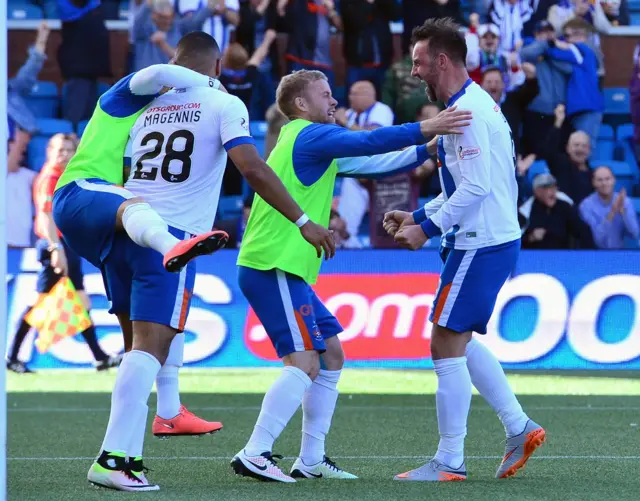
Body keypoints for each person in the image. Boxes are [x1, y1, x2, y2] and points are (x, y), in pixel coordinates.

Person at [87, 32, 336, 492]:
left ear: (174, 62)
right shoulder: (225, 103)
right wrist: (302, 219)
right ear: (217, 66)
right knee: (149, 346)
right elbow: (252, 167)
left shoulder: (145, 106)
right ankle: (115, 457)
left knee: (139, 346)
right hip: (175, 235)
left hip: (127, 222)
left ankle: (153, 429)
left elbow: (122, 167)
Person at [230, 68, 472, 482]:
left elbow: (370, 163)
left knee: (331, 356)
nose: (334, 101)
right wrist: (426, 127)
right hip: (273, 265)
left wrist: (425, 149)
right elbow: (369, 140)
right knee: (304, 362)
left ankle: (310, 460)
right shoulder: (310, 134)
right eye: (326, 95)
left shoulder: (303, 141)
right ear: (302, 105)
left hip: (283, 268)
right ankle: (255, 452)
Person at [383, 18, 545, 482]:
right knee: (458, 339)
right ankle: (518, 427)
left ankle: (450, 460)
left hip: (480, 243)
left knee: (443, 343)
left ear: (441, 60)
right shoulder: (467, 106)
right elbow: (463, 185)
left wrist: (425, 228)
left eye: (418, 62)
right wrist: (416, 217)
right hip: (480, 240)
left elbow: (474, 188)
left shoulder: (467, 111)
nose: (414, 73)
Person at [7, 134, 121, 375]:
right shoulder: (49, 178)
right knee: (41, 304)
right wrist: (55, 248)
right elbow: (46, 216)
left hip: (67, 246)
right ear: (49, 151)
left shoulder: (63, 177)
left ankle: (99, 357)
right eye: (60, 150)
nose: (64, 154)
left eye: (69, 150)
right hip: (55, 246)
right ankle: (12, 356)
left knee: (82, 302)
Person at [521, 173, 594, 249]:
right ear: (537, 191)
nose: (552, 192)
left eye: (554, 187)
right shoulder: (526, 210)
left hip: (562, 255)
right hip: (534, 256)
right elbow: (514, 239)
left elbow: (583, 231)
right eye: (547, 188)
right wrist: (530, 237)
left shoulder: (564, 206)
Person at [579, 166, 639, 249]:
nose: (604, 183)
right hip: (594, 253)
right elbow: (597, 240)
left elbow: (635, 234)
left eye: (607, 179)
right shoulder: (586, 206)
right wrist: (612, 212)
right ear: (593, 183)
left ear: (614, 180)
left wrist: (624, 213)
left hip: (619, 253)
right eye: (599, 180)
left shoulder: (624, 201)